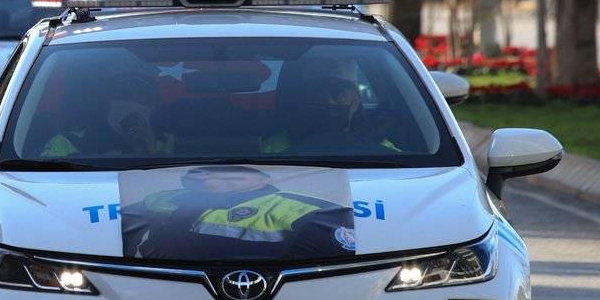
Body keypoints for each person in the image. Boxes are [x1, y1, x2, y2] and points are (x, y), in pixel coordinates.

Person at [124, 165, 353, 261]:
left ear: (265, 178)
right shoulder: (160, 198)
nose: (209, 176)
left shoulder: (308, 211)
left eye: (234, 173)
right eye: (200, 172)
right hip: (158, 296)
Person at [260, 56, 399, 154]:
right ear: (305, 99)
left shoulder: (386, 152)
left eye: (338, 94)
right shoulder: (273, 148)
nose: (328, 102)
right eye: (318, 93)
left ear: (355, 102)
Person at [40, 69, 173, 157]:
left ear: (154, 105)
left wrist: (151, 154)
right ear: (105, 101)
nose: (132, 103)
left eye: (142, 96)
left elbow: (175, 194)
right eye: (123, 94)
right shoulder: (65, 143)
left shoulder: (170, 143)